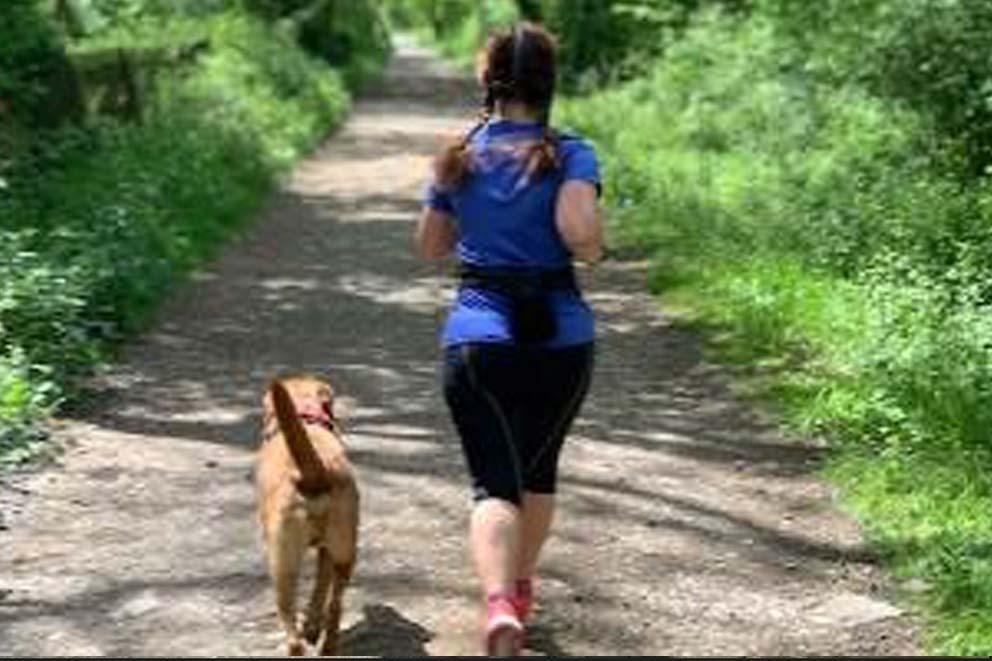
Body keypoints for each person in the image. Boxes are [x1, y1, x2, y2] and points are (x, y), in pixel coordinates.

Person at [414, 22, 604, 656]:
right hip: (562, 340)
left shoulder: (457, 156)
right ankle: (520, 587)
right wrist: (596, 246)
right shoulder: (572, 152)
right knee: (538, 472)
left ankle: (500, 606)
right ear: (550, 82)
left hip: (477, 340)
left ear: (486, 81)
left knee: (493, 484)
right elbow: (578, 229)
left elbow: (431, 246)